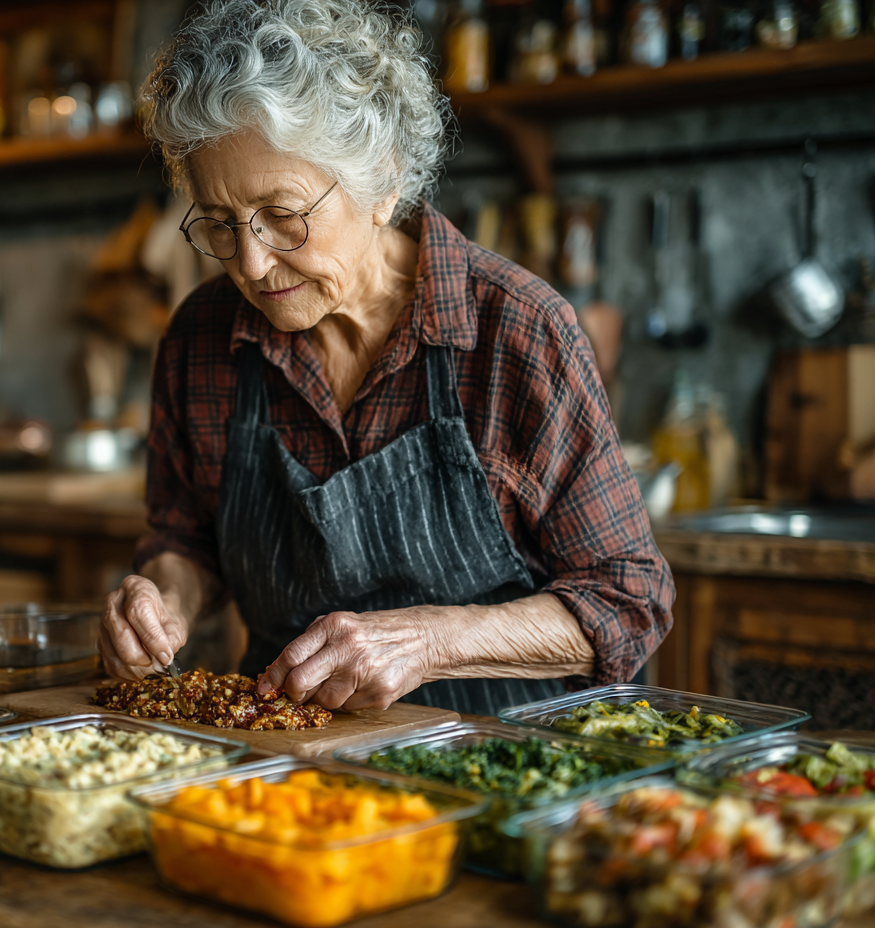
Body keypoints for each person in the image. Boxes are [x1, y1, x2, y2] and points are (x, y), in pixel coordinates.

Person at [97, 0, 674, 716]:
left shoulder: (518, 331)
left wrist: (428, 642)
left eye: (284, 216)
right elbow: (186, 539)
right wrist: (162, 599)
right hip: (290, 753)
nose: (249, 263)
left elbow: (628, 602)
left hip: (506, 749)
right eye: (219, 223)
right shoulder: (201, 338)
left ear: (382, 181)